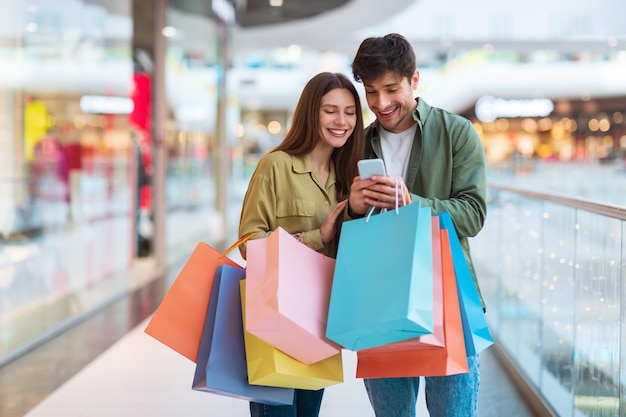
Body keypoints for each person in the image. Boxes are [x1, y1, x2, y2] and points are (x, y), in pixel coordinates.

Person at [348, 33, 488, 417]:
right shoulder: (357, 145)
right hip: (381, 302)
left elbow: (473, 213)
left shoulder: (456, 133)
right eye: (371, 92)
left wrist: (412, 203)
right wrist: (353, 207)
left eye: (391, 89)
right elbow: (346, 228)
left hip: (448, 298)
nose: (381, 103)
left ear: (415, 79)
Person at [238, 71, 365, 417]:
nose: (342, 121)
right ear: (311, 113)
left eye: (350, 112)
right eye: (331, 111)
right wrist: (316, 237)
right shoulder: (275, 166)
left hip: (321, 320)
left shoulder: (349, 179)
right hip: (276, 318)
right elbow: (249, 243)